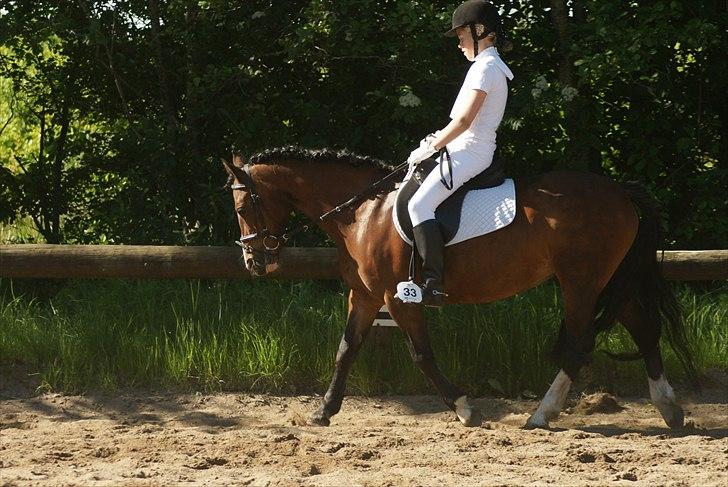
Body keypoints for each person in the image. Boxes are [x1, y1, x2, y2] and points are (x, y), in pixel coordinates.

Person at [407, 0, 514, 307]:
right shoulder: (486, 66)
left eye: (461, 36)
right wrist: (437, 140)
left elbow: (465, 121)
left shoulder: (487, 68)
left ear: (480, 31)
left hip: (470, 152)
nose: (459, 43)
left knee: (419, 206)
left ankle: (433, 284)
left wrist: (433, 146)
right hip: (463, 148)